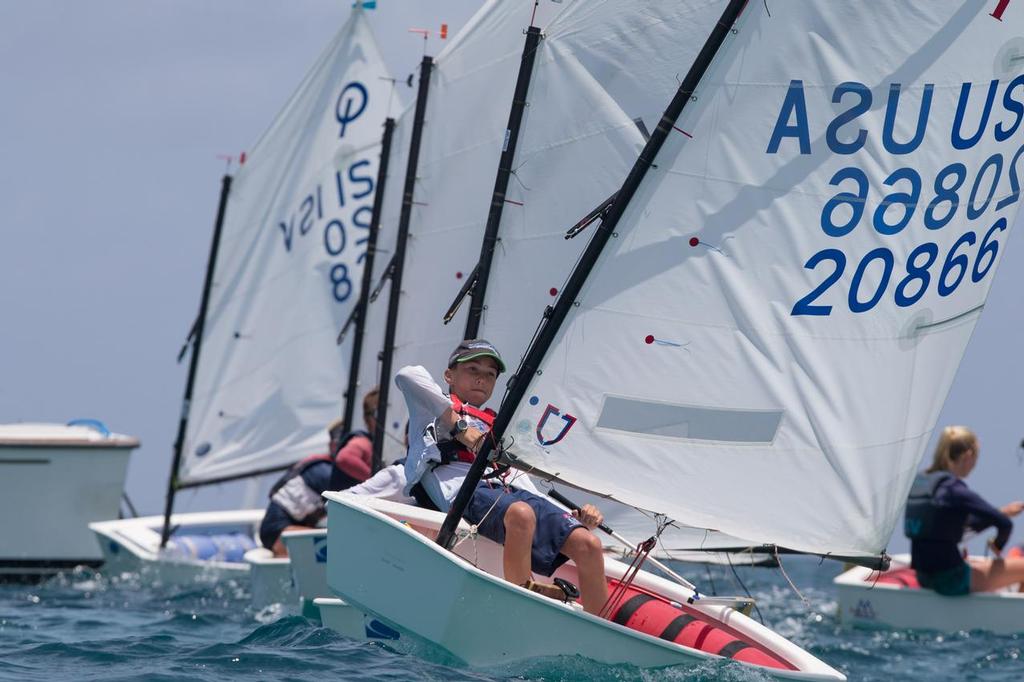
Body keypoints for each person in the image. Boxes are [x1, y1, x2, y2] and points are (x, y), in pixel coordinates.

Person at [397, 339, 609, 614]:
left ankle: (600, 631)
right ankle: (520, 609)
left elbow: (521, 481)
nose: (481, 379)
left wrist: (574, 516)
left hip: (506, 492)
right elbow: (406, 374)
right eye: (472, 369)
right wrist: (461, 429)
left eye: (490, 375)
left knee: (589, 544)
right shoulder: (433, 408)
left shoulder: (499, 424)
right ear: (449, 375)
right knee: (520, 514)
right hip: (463, 490)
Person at [905, 425, 1024, 595]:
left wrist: (1002, 511)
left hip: (924, 576)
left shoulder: (923, 483)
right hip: (951, 580)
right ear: (968, 456)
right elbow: (1004, 524)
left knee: (978, 565)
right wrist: (998, 545)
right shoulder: (955, 489)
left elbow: (956, 527)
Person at [259, 389, 379, 556]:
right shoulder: (324, 472)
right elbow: (347, 459)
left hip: (288, 528)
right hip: (279, 532)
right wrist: (375, 480)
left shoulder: (325, 467)